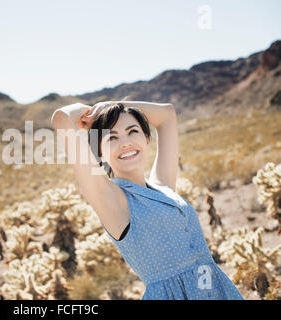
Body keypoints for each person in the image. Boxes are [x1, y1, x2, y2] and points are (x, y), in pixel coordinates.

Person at [50, 101, 244, 300]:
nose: (125, 143)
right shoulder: (112, 200)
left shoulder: (162, 187)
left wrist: (115, 105)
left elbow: (167, 115)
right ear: (100, 153)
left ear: (147, 138)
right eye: (112, 138)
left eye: (132, 131)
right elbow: (61, 119)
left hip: (216, 289)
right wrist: (88, 111)